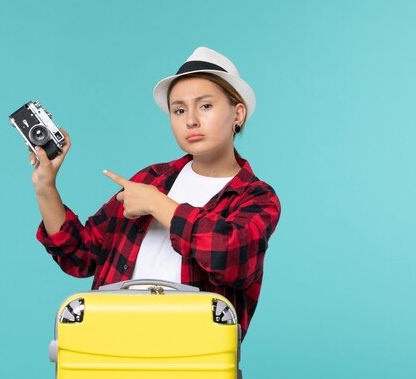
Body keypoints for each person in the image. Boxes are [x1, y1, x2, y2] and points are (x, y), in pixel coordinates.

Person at [31, 47, 281, 341]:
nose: (191, 120)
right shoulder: (151, 179)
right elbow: (82, 255)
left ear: (237, 113)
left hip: (193, 357)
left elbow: (231, 257)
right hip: (112, 347)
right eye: (179, 110)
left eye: (205, 106)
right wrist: (45, 186)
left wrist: (158, 204)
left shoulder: (256, 197)